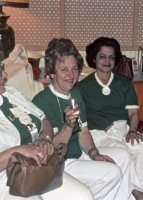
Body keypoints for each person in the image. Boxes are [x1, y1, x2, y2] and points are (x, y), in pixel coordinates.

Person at [32, 38, 133, 200]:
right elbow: (48, 150)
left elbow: (84, 133)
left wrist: (94, 154)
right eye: (64, 69)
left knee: (123, 156)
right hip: (61, 164)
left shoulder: (76, 94)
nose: (71, 75)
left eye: (74, 69)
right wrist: (68, 126)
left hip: (80, 153)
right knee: (112, 173)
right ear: (52, 72)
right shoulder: (41, 102)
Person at [77, 37, 143, 200]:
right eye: (102, 56)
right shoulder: (83, 86)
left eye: (111, 57)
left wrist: (133, 131)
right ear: (93, 58)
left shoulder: (124, 83)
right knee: (122, 152)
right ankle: (138, 194)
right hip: (98, 134)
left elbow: (133, 113)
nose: (107, 61)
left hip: (122, 129)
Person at [0, 64, 94, 200]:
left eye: (3, 70)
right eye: (0, 72)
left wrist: (45, 139)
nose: (5, 75)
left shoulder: (11, 92)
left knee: (83, 196)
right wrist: (19, 150)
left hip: (37, 165)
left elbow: (43, 119)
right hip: (7, 175)